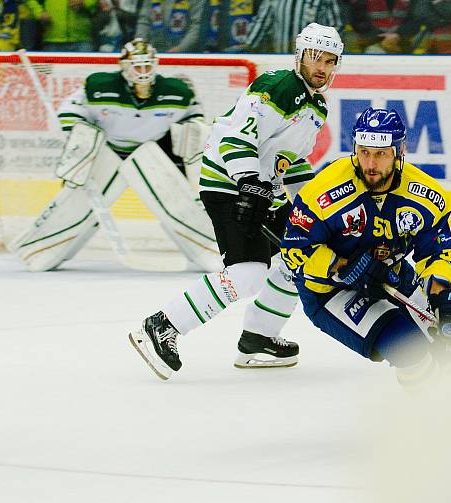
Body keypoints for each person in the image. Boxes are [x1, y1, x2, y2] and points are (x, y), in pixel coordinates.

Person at [129, 23, 344, 378]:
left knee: (300, 255)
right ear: (299, 55)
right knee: (248, 274)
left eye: (329, 60)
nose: (321, 66)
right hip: (229, 184)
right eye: (314, 57)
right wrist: (248, 182)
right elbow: (232, 138)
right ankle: (162, 325)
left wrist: (319, 207)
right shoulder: (277, 86)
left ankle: (259, 338)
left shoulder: (316, 105)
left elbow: (291, 164)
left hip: (264, 191)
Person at [279, 107, 451, 393]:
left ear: (399, 151)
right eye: (364, 152)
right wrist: (342, 266)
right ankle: (438, 417)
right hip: (331, 291)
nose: (370, 163)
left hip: (390, 273)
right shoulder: (324, 192)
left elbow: (436, 253)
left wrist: (442, 296)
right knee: (410, 349)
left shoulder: (425, 196)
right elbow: (294, 251)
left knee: (441, 335)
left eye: (381, 154)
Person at [12, 38, 216, 272]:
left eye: (147, 66)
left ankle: (209, 252)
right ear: (124, 66)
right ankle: (39, 251)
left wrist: (191, 134)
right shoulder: (99, 86)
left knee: (178, 205)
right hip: (107, 153)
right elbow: (69, 113)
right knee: (77, 207)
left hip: (148, 154)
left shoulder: (177, 92)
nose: (143, 72)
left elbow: (195, 117)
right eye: (137, 66)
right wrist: (83, 140)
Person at [246, 0, 343, 53]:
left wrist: (322, 56)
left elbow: (336, 29)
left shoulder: (323, 1)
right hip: (280, 61)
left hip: (313, 65)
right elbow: (261, 25)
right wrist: (247, 48)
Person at [135, 0, 206, 52]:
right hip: (153, 50)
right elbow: (144, 20)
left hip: (183, 52)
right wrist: (140, 43)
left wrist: (180, 48)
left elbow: (196, 25)